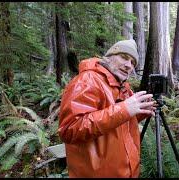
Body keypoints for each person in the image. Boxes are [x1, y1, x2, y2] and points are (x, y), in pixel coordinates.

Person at [58, 39, 156, 178]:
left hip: (127, 172)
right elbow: (70, 129)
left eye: (133, 62)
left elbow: (117, 123)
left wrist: (140, 111)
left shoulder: (124, 87)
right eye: (124, 57)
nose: (128, 65)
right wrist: (124, 109)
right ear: (109, 57)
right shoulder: (87, 80)